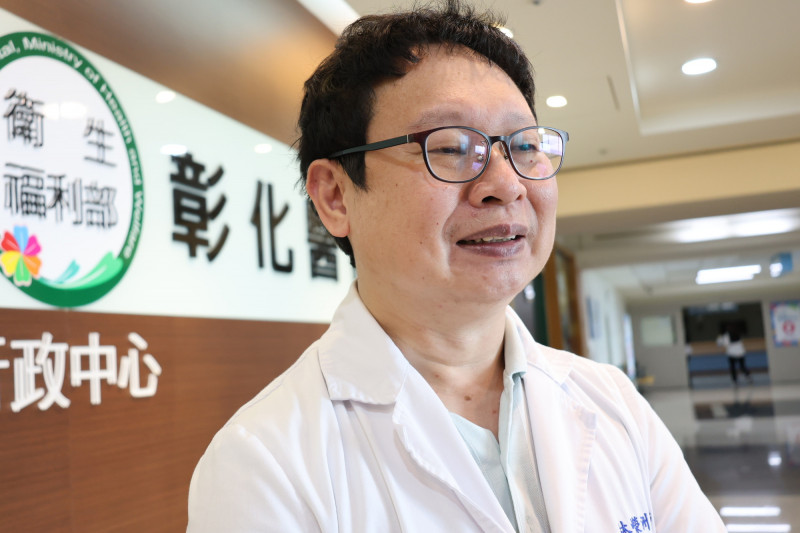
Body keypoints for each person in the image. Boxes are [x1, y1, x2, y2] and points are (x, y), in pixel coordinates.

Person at [187, 2, 725, 531]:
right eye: (449, 147)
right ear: (335, 196)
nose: (506, 184)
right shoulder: (262, 463)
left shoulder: (612, 400)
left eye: (524, 145)